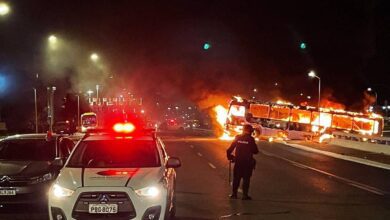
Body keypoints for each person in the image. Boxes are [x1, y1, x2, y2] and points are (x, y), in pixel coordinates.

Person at [226, 124, 259, 200]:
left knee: (236, 178)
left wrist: (231, 157)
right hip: (247, 163)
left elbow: (229, 150)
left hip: (238, 162)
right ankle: (245, 195)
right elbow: (255, 151)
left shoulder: (238, 138)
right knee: (246, 179)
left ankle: (234, 194)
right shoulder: (250, 139)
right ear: (250, 131)